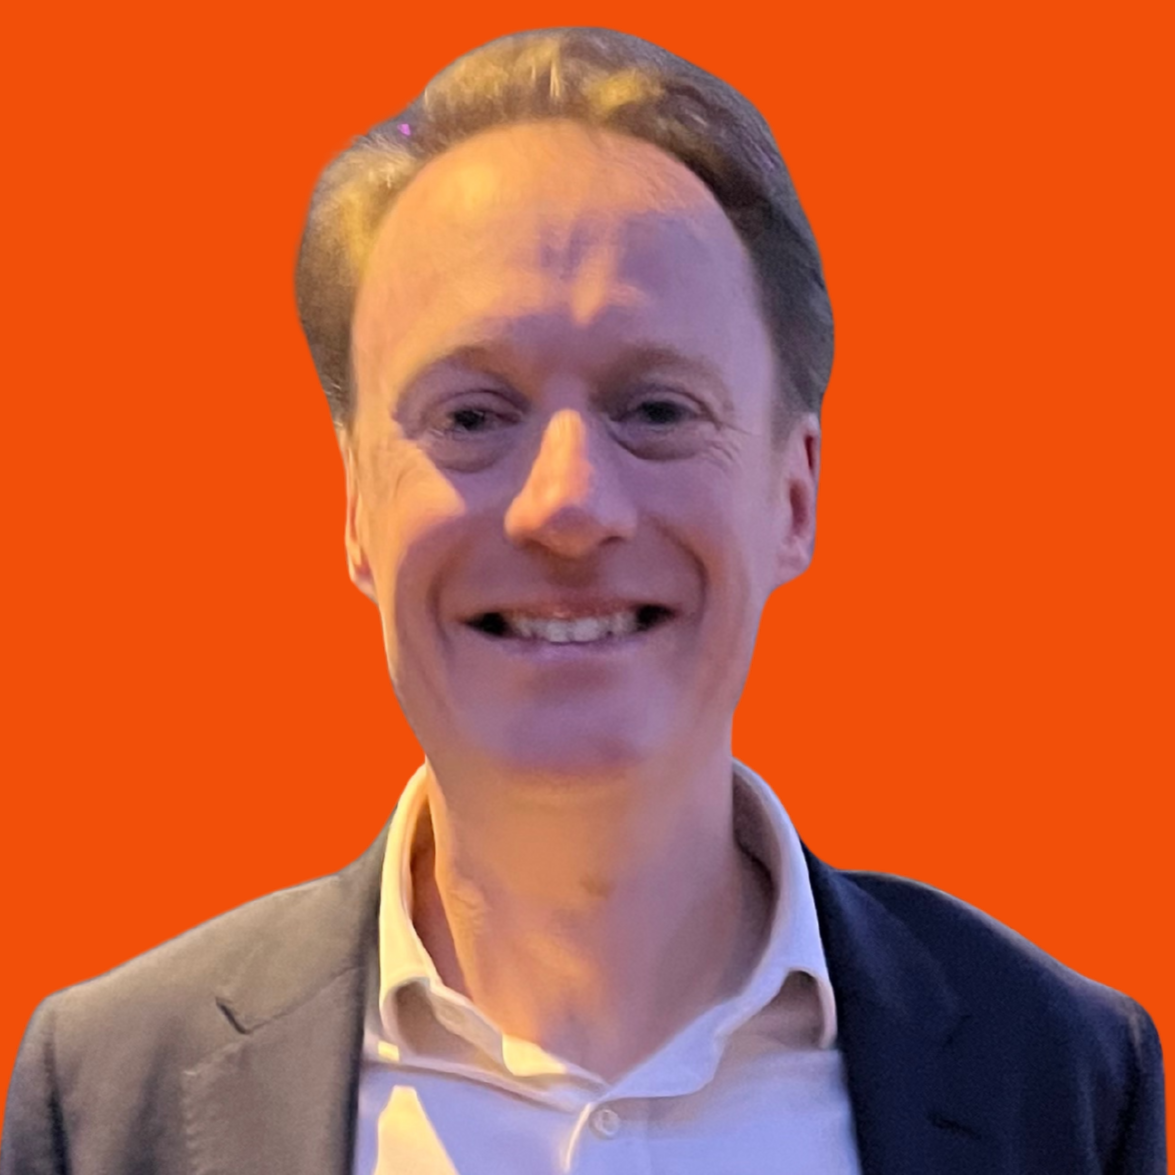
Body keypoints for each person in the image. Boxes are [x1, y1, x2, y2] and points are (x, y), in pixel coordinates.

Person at [1, 26, 1164, 1175]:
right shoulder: (110, 1097)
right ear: (355, 503)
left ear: (793, 493)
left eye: (655, 409)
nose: (566, 503)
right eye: (471, 416)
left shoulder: (1057, 1076)